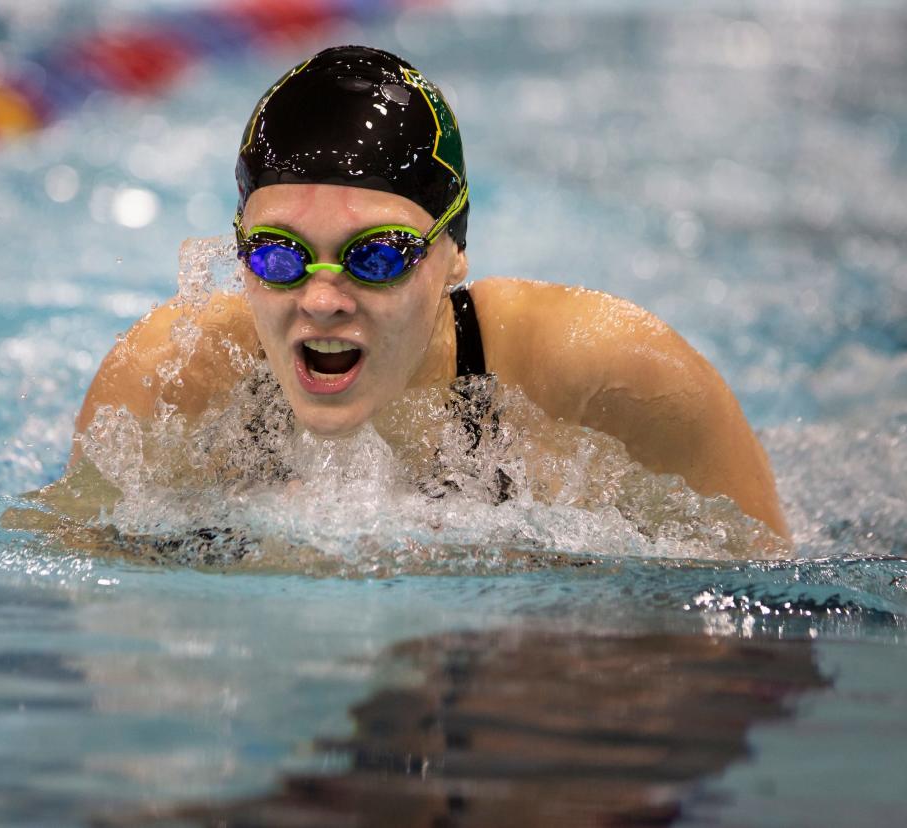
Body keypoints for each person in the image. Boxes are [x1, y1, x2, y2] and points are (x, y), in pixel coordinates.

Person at [52, 44, 789, 541]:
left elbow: (770, 623)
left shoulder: (611, 379)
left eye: (377, 256)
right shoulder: (168, 384)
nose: (322, 299)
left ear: (455, 252)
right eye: (279, 255)